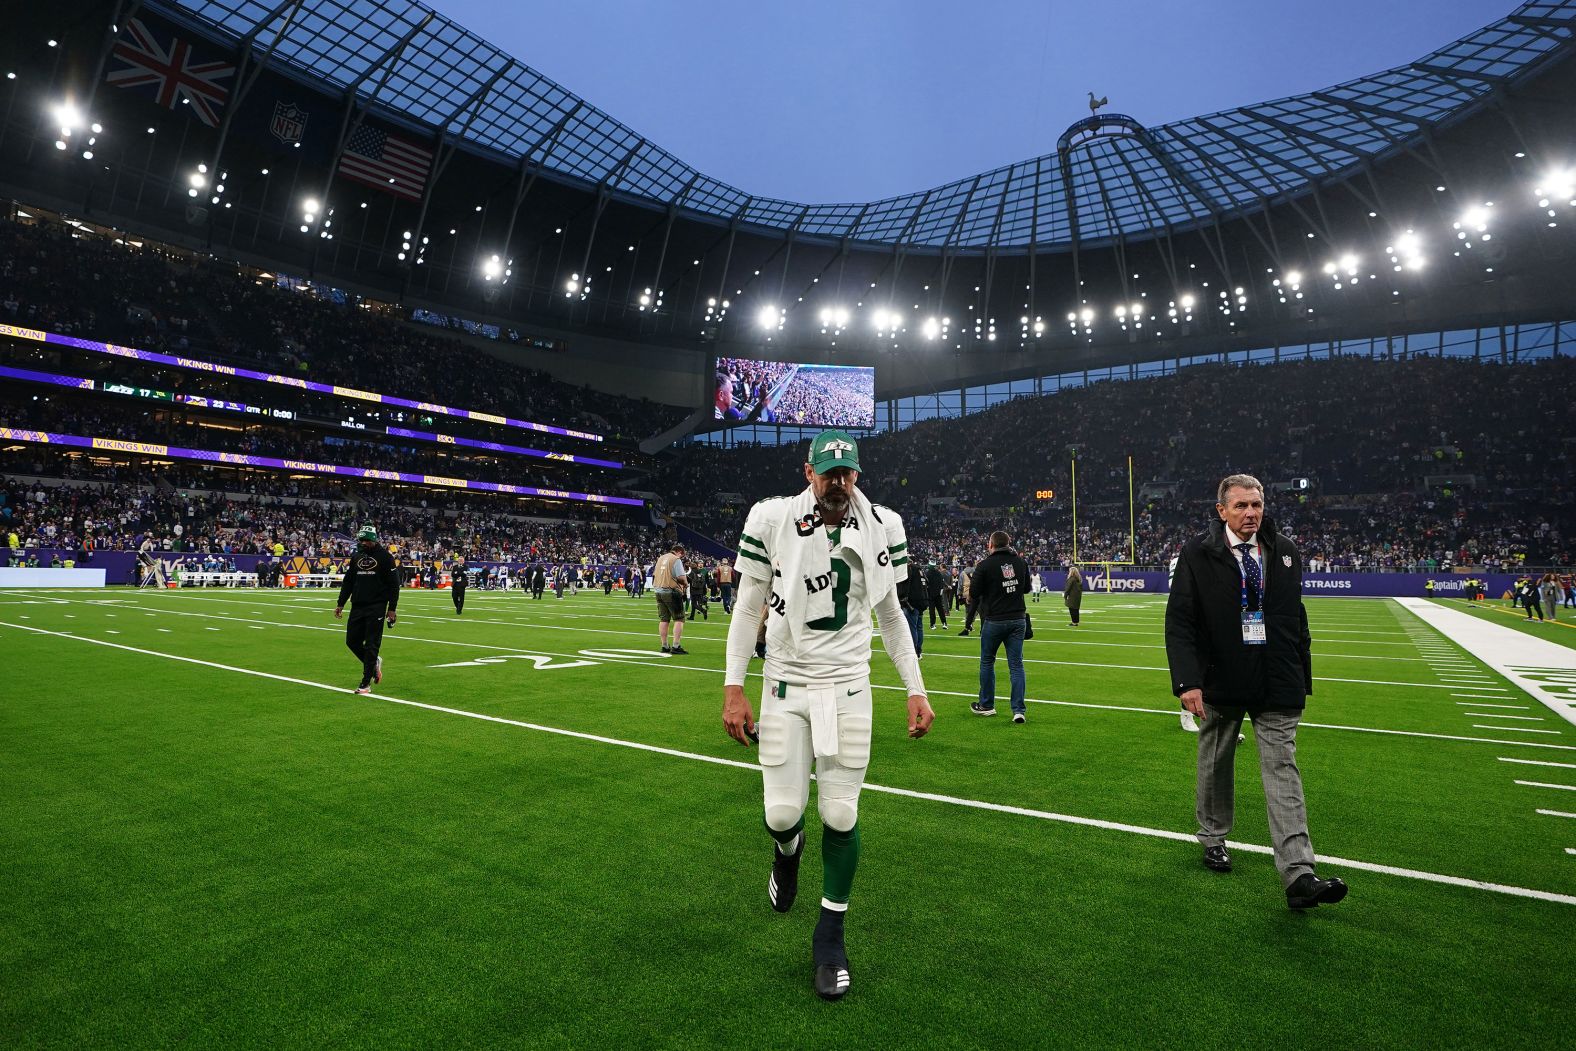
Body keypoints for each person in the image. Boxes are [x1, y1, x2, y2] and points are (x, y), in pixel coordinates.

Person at [722, 429, 933, 1001]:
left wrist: (916, 688)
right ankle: (786, 853)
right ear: (807, 472)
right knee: (783, 813)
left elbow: (891, 616)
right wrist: (733, 686)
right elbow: (748, 607)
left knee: (840, 816)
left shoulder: (884, 525)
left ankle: (830, 934)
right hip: (786, 684)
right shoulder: (771, 519)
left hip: (847, 686)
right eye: (827, 473)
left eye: (846, 474)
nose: (837, 484)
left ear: (856, 476)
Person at [1164, 474, 1348, 911]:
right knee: (1215, 760)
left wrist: (1300, 672)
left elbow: (1294, 617)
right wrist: (1188, 681)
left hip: (1275, 678)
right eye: (1242, 506)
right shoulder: (1198, 553)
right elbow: (1181, 621)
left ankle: (1299, 874)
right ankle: (1212, 837)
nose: (1251, 513)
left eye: (1257, 505)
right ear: (1222, 510)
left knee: (1282, 768)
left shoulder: (1284, 551)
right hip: (1222, 676)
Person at [969, 531, 1031, 723]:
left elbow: (973, 593)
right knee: (1016, 665)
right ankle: (1018, 710)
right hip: (1017, 618)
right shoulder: (1021, 562)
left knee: (987, 662)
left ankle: (987, 705)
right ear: (1008, 543)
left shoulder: (985, 565)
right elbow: (1027, 588)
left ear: (991, 544)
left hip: (995, 619)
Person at [334, 524, 400, 695]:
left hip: (377, 606)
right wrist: (340, 603)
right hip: (357, 605)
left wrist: (392, 608)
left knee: (371, 644)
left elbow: (394, 585)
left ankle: (365, 683)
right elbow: (348, 581)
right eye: (361, 540)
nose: (362, 543)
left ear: (373, 540)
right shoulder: (357, 557)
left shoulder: (386, 557)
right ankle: (374, 663)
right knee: (352, 641)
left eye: (365, 540)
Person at [653, 543, 689, 654]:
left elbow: (655, 574)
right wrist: (686, 584)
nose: (681, 558)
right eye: (682, 555)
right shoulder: (675, 559)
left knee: (664, 619)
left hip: (658, 590)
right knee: (679, 618)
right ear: (679, 552)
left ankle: (664, 646)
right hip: (671, 591)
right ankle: (676, 646)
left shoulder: (661, 558)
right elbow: (681, 577)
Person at [897, 549, 927, 660]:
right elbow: (926, 583)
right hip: (922, 601)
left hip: (911, 602)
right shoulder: (920, 569)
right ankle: (919, 651)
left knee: (912, 628)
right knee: (919, 627)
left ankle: (914, 652)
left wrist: (902, 598)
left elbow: (903, 586)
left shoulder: (908, 569)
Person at [924, 562, 949, 629]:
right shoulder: (938, 573)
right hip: (938, 594)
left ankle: (933, 624)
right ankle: (944, 623)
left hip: (931, 594)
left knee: (932, 610)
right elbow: (942, 582)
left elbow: (926, 584)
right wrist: (940, 592)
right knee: (940, 609)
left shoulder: (927, 573)